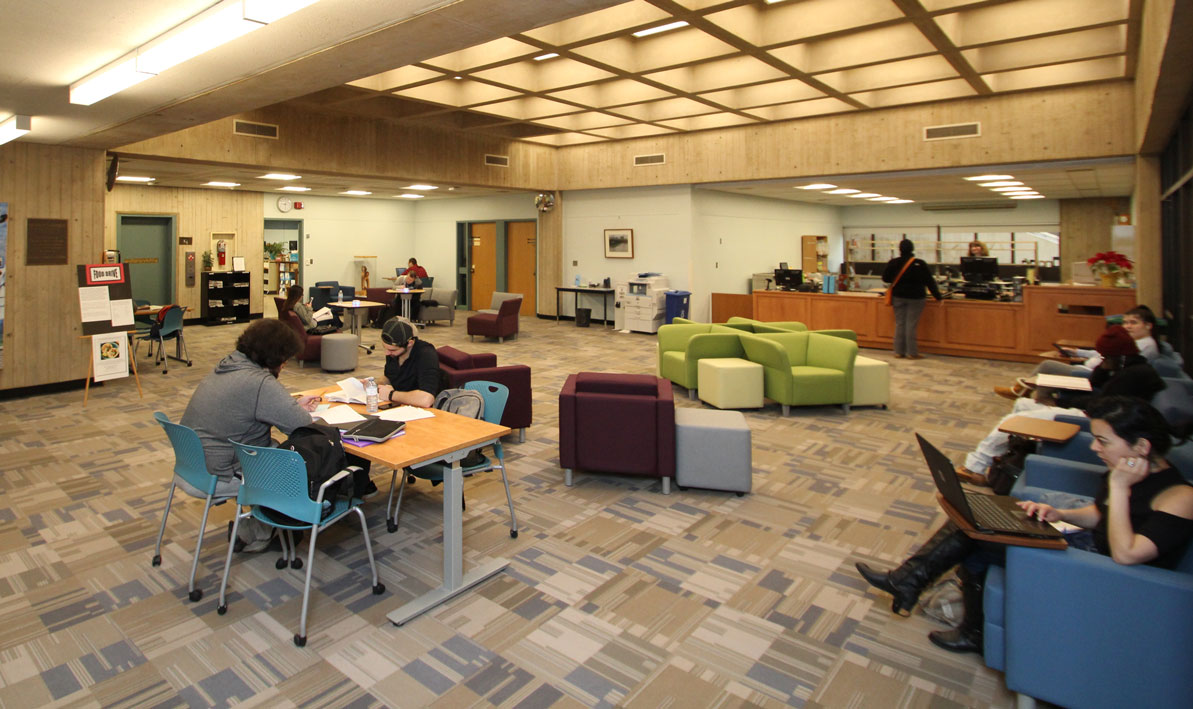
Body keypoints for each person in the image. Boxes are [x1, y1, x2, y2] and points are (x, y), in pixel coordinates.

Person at [857, 395, 1193, 654]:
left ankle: (916, 587)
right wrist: (1060, 514)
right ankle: (923, 593)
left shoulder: (1178, 497)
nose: (1094, 448)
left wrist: (1120, 487)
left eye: (1103, 441)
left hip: (1109, 577)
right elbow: (1101, 514)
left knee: (977, 532)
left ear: (1142, 447)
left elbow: (1126, 554)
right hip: (1089, 550)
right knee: (977, 518)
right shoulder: (1131, 469)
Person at [180, 319, 321, 550]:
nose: (285, 365)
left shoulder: (229, 364)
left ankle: (260, 525)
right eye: (284, 360)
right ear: (275, 357)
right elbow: (301, 425)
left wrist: (291, 404)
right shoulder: (259, 382)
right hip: (218, 471)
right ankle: (260, 530)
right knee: (292, 460)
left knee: (272, 445)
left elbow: (248, 406)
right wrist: (294, 409)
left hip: (191, 462)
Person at [996, 324, 1165, 404]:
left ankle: (1022, 391)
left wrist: (1059, 404)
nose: (1128, 326)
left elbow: (1102, 400)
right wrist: (1100, 366)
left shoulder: (1129, 374)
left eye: (1106, 357)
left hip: (1086, 386)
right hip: (1088, 377)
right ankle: (1024, 391)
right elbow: (1097, 383)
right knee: (1045, 372)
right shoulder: (1124, 363)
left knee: (1045, 372)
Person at [883, 239, 943, 359]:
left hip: (898, 296)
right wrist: (938, 297)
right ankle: (912, 353)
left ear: (899, 250)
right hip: (916, 297)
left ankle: (899, 352)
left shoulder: (893, 262)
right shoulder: (920, 263)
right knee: (911, 324)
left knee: (900, 324)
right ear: (912, 249)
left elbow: (885, 278)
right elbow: (929, 282)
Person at [377, 317, 440, 408]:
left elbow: (427, 399)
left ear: (410, 343)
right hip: (400, 405)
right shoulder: (393, 353)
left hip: (420, 410)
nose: (387, 353)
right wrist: (376, 385)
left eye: (392, 350)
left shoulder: (426, 354)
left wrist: (391, 395)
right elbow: (389, 377)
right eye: (385, 348)